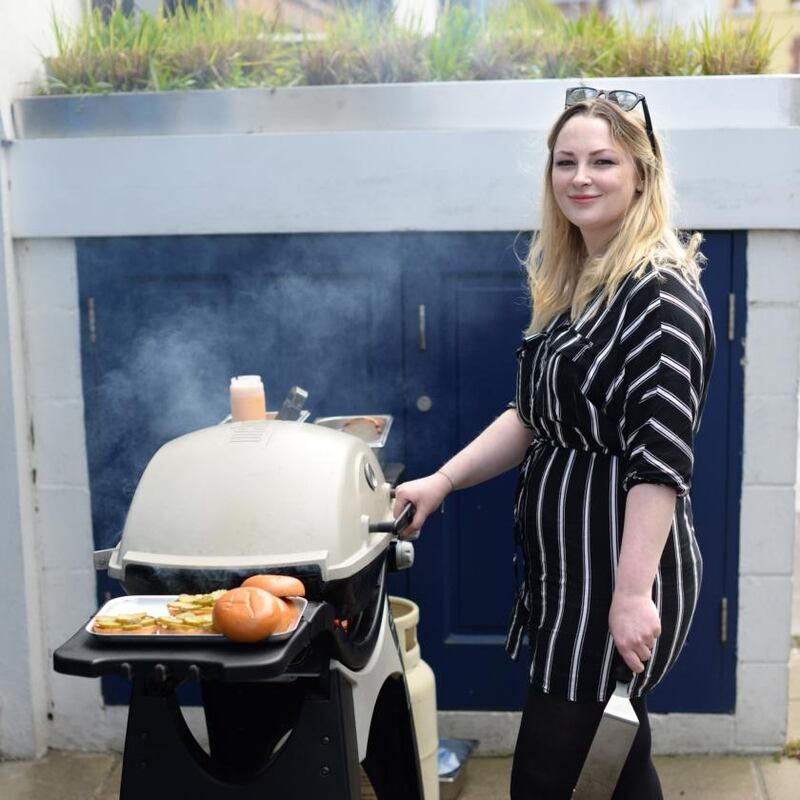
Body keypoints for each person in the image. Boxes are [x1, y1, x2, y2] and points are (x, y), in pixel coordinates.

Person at [393, 87, 715, 799]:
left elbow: (659, 463)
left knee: (547, 777)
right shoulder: (578, 283)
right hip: (569, 577)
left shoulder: (657, 296)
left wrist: (630, 595)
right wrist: (441, 482)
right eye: (566, 161)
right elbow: (533, 416)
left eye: (604, 160)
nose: (581, 177)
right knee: (614, 765)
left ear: (642, 172)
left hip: (617, 573)